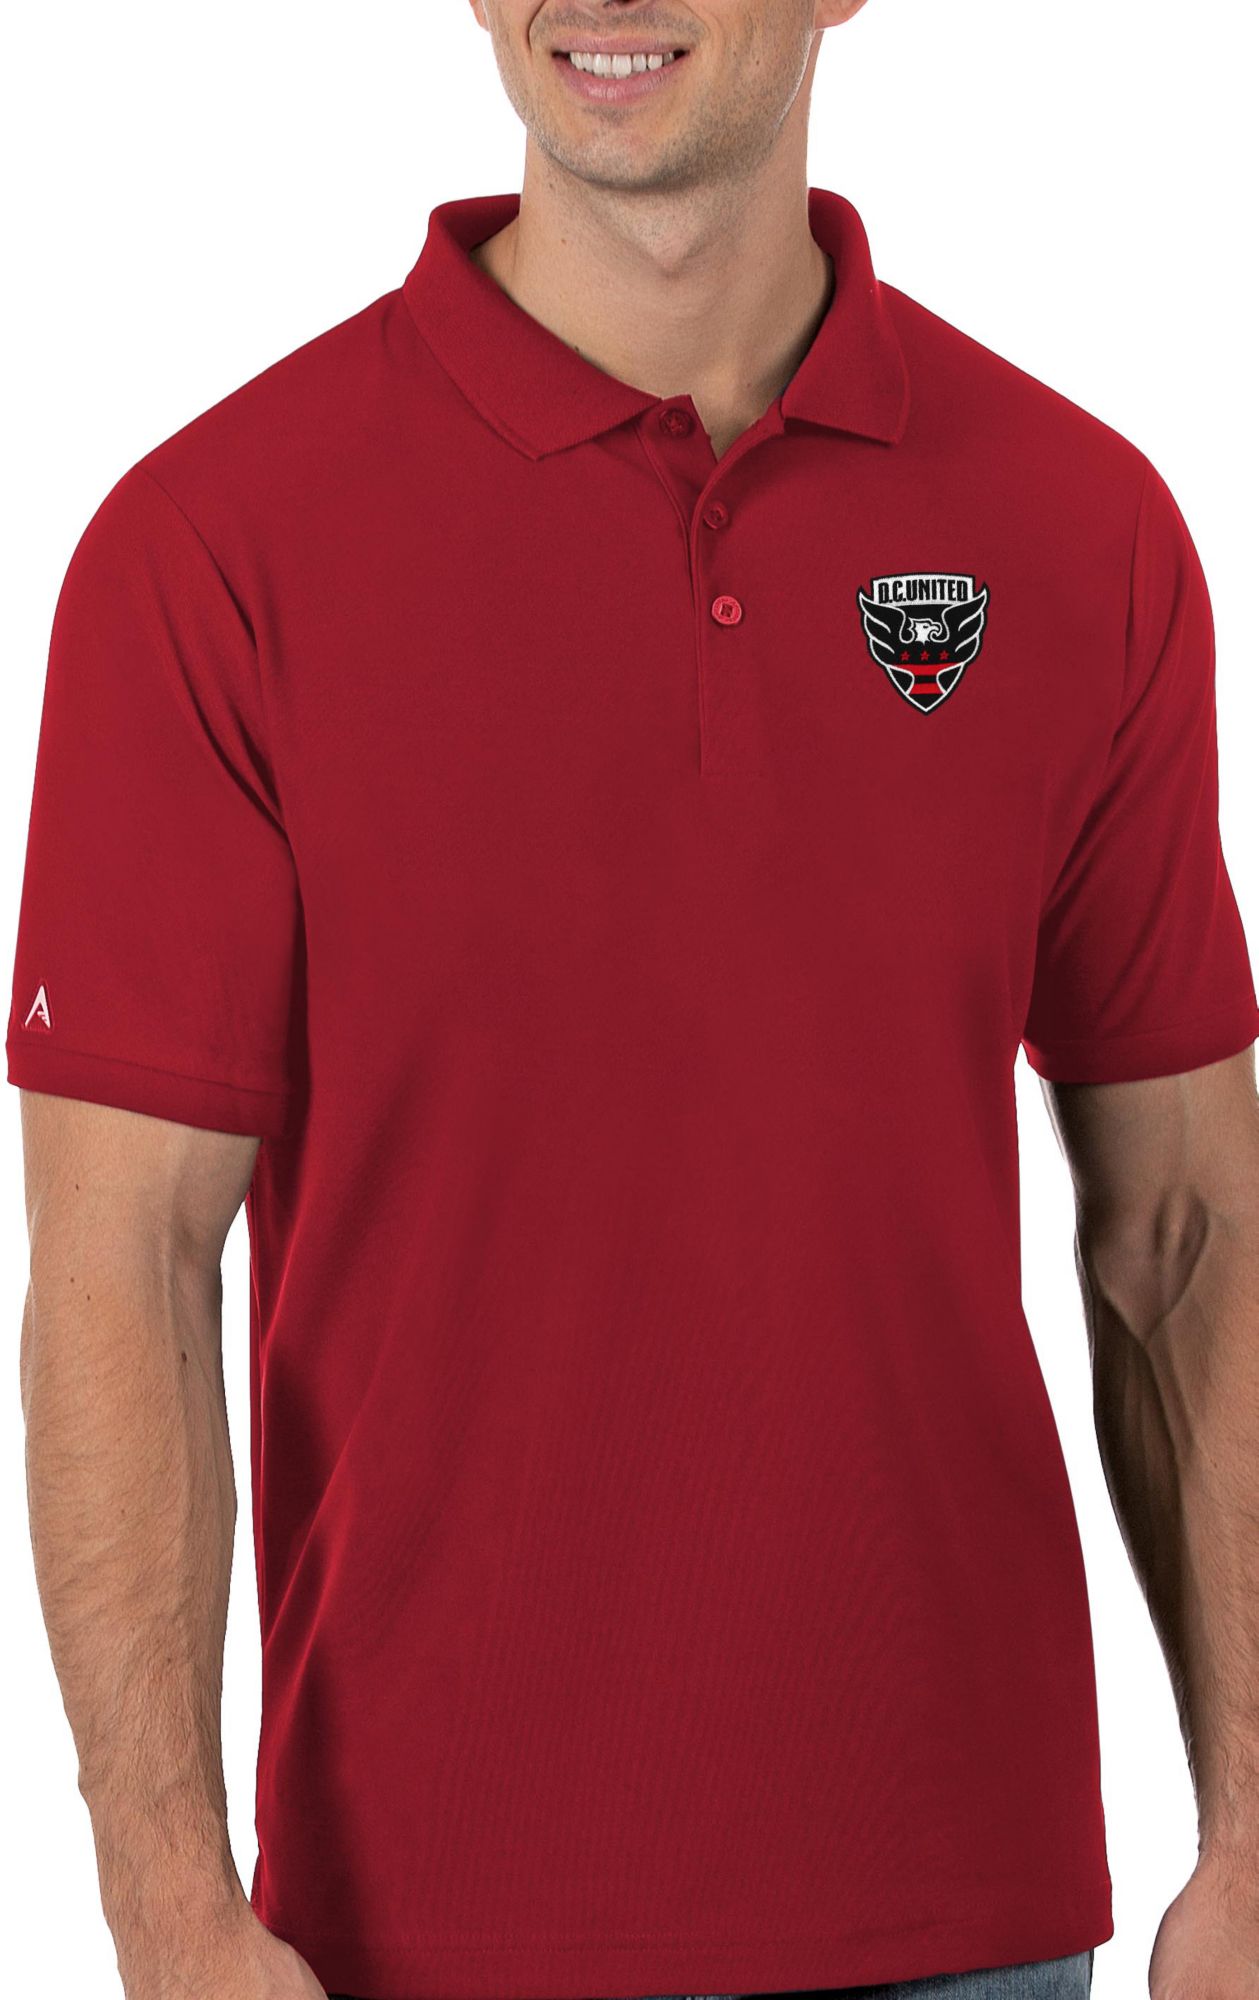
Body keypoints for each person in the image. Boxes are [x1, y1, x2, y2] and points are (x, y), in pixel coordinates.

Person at [9, 0, 1259, 1996]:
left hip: (966, 1915)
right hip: (408, 1933)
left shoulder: (1075, 523)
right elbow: (120, 1267)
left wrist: (1256, 1843)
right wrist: (169, 1915)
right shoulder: (210, 550)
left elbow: (1189, 1231)